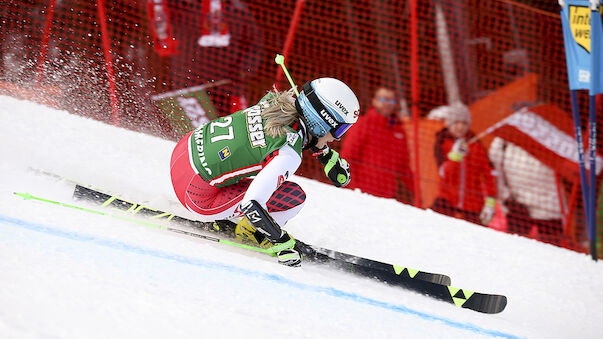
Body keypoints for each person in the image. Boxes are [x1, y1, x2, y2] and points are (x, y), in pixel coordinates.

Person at [169, 78, 360, 267]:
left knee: (247, 161)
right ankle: (251, 231)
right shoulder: (288, 154)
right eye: (340, 130)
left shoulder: (273, 101)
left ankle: (241, 218)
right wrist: (281, 242)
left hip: (183, 151)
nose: (337, 139)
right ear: (322, 121)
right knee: (294, 198)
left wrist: (323, 153)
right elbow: (252, 204)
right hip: (194, 195)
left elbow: (294, 126)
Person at [339, 87, 414, 202]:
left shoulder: (399, 130)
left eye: (391, 101)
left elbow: (404, 167)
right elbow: (348, 156)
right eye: (383, 99)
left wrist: (416, 194)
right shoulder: (363, 124)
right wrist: (347, 188)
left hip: (387, 197)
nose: (387, 104)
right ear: (374, 101)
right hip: (359, 193)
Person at [429, 103, 497, 225]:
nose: (460, 127)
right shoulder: (442, 142)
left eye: (464, 123)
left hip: (473, 203)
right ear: (449, 124)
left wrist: (490, 201)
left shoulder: (476, 145)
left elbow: (489, 174)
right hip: (447, 199)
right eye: (456, 123)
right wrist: (455, 157)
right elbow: (443, 173)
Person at [488, 137, 564, 244]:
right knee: (516, 246)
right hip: (518, 207)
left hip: (549, 209)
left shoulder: (556, 138)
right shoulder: (502, 142)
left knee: (551, 249)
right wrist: (505, 199)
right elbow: (495, 174)